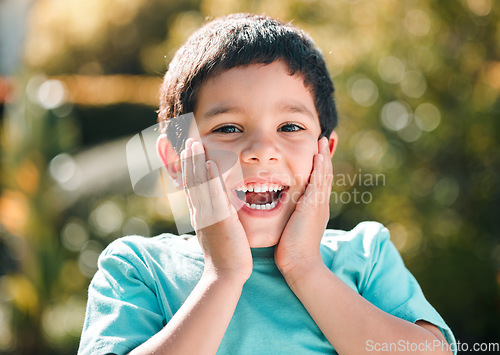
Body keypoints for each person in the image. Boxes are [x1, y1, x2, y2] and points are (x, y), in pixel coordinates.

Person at [78, 13, 456, 354]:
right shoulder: (139, 268)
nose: (261, 151)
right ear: (176, 159)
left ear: (324, 153)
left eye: (290, 127)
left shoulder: (365, 256)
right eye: (228, 128)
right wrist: (222, 278)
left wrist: (306, 267)